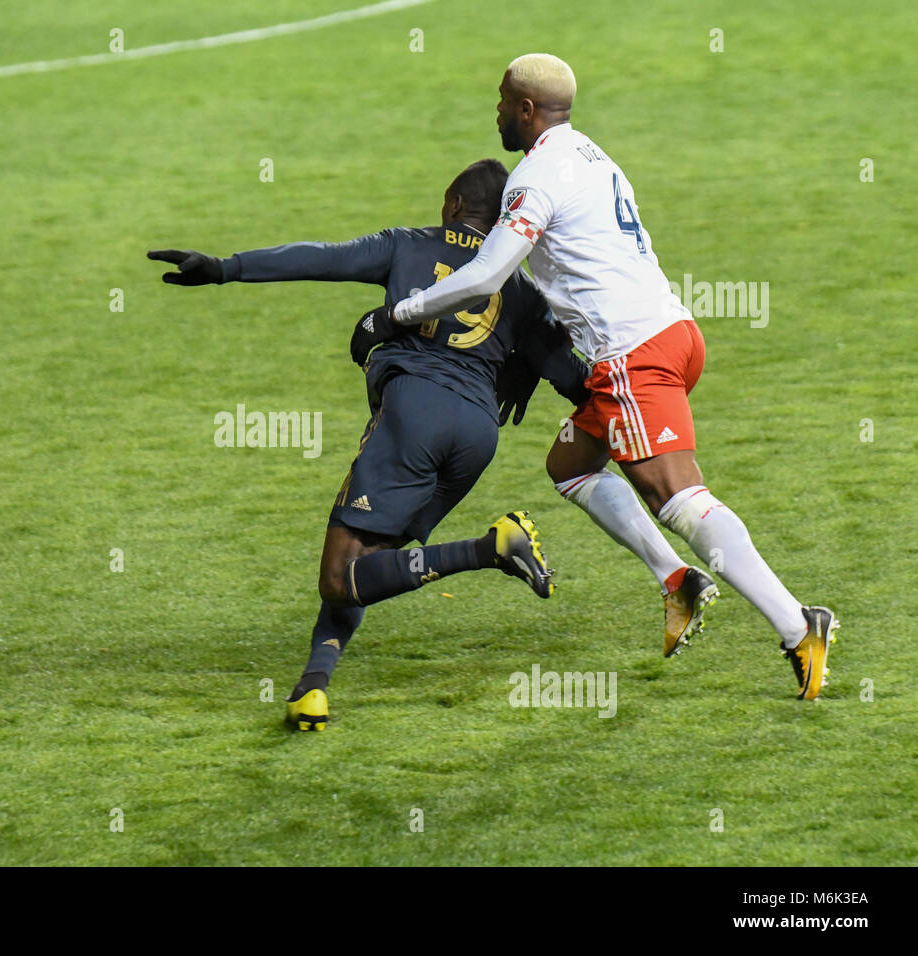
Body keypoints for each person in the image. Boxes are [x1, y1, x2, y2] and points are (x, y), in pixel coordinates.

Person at [367, 54, 837, 699]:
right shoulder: (591, 154)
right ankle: (679, 581)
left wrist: (402, 312)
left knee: (678, 498)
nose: (497, 110)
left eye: (504, 100)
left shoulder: (533, 178)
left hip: (631, 356)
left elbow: (484, 275)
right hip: (672, 332)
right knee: (571, 464)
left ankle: (796, 624)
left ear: (527, 110)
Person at [148, 158, 589, 729]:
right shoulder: (521, 287)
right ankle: (313, 684)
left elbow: (322, 258)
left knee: (339, 574)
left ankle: (490, 548)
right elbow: (575, 378)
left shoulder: (408, 244)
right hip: (477, 436)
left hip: (415, 414)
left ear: (455, 205)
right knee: (371, 567)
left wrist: (226, 267)